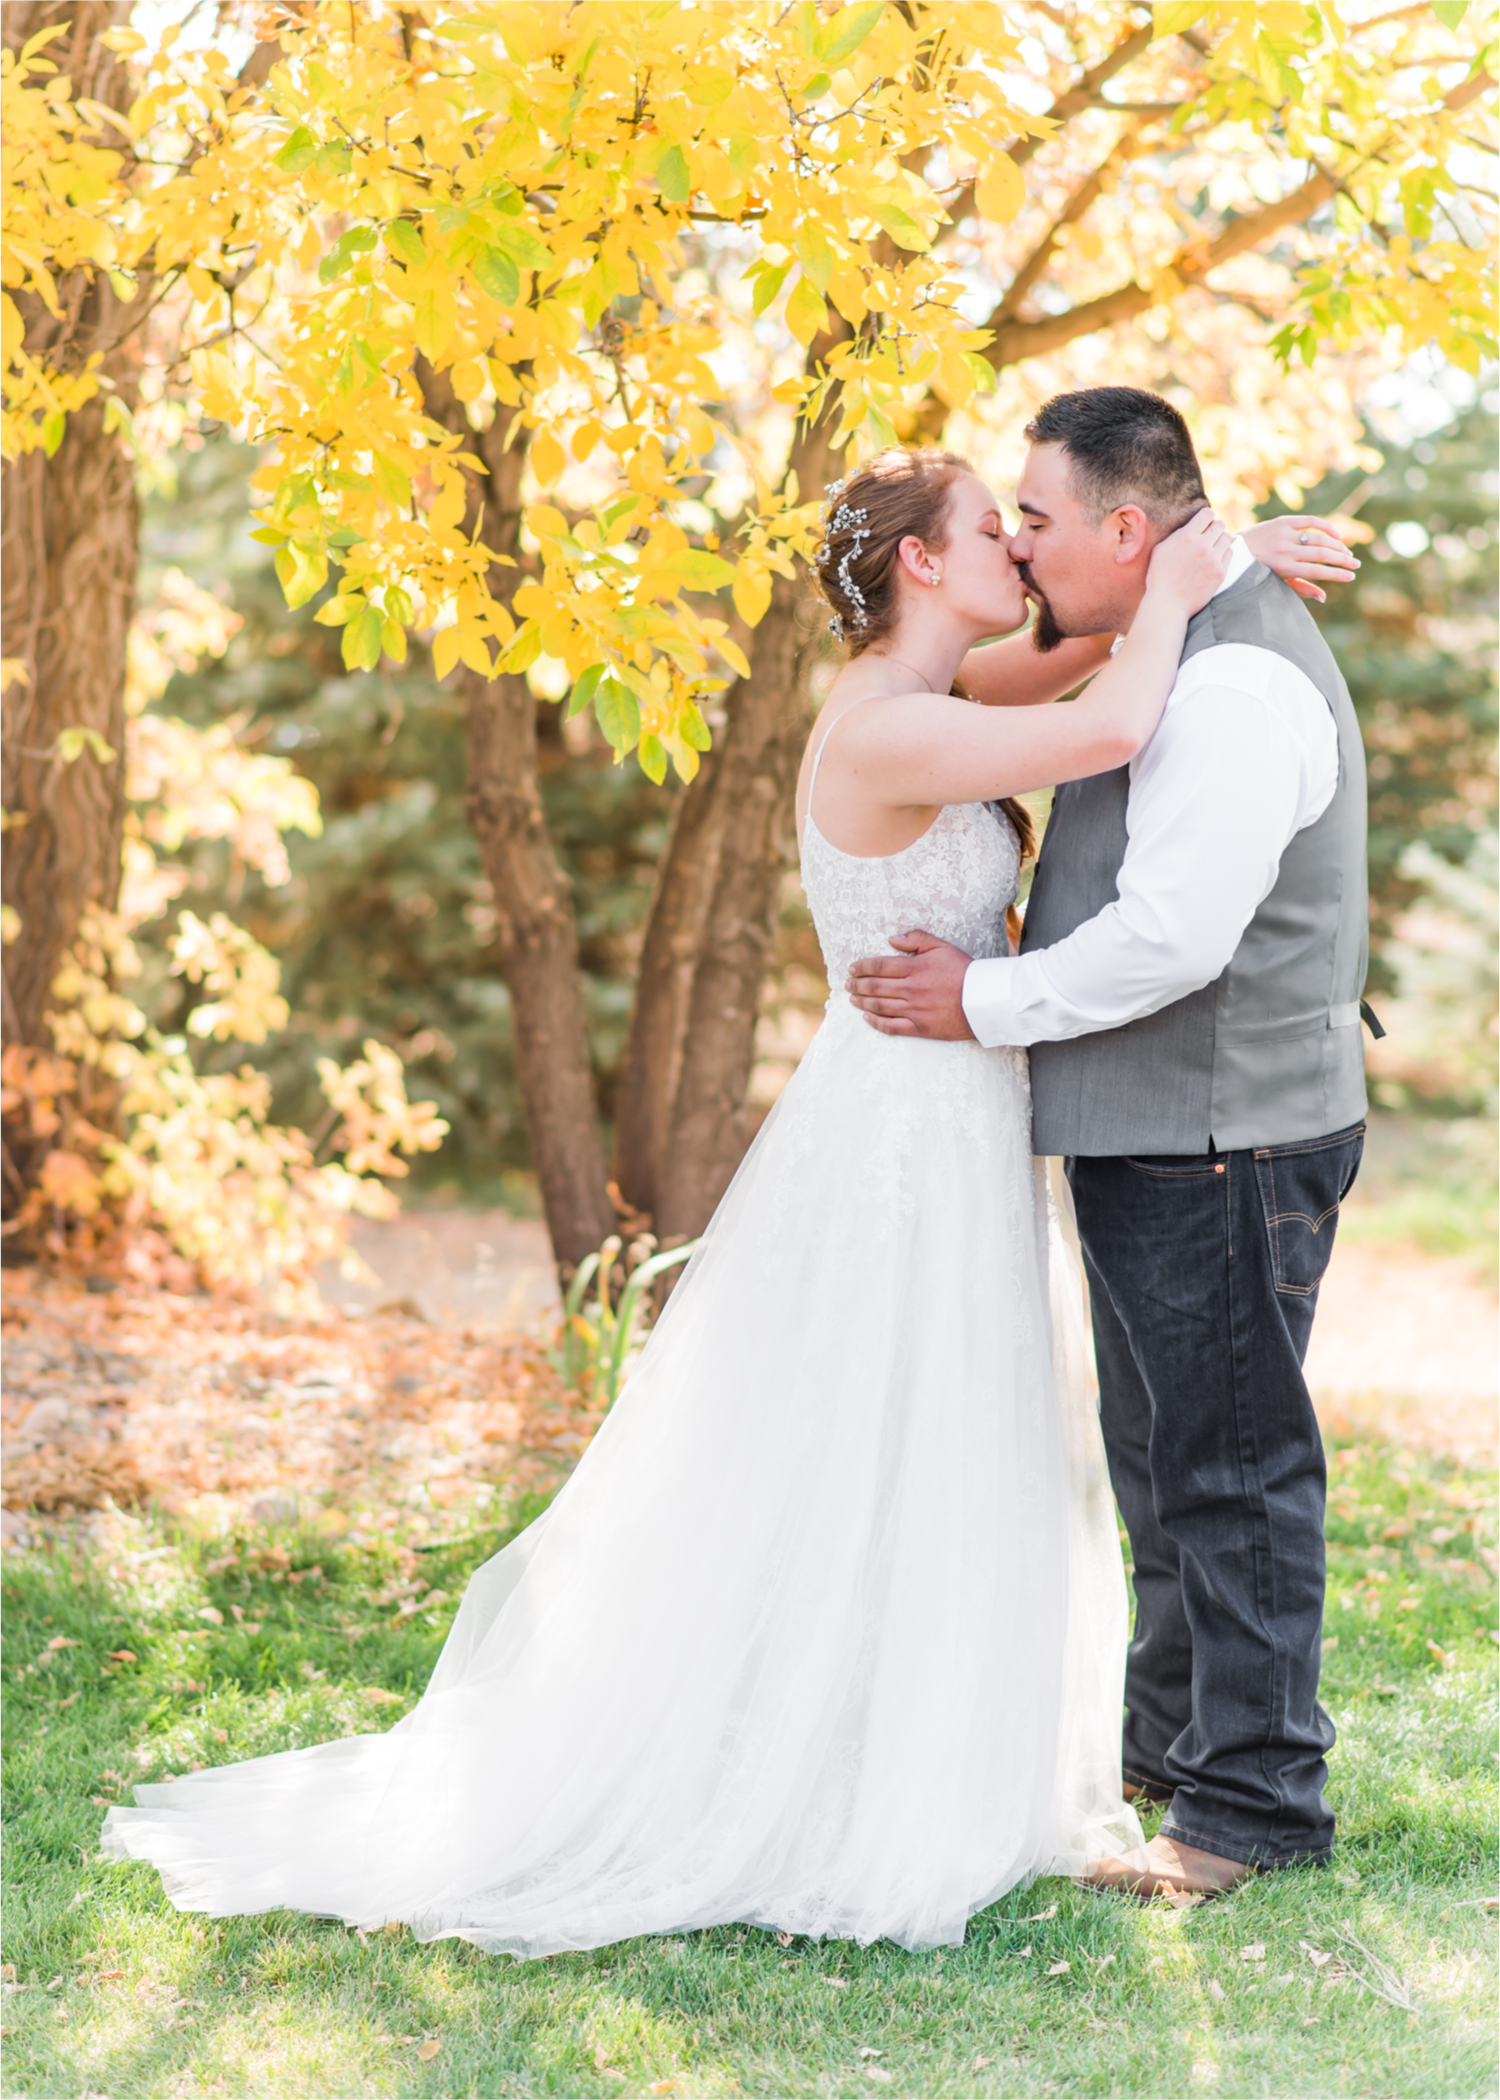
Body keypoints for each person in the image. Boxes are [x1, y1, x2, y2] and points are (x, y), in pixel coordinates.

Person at [103, 447, 1237, 1958]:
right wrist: (1181, 585)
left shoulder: (938, 702)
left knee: (942, 1430)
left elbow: (1072, 654)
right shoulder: (889, 728)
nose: (1019, 554)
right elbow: (1111, 714)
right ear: (917, 563)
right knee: (874, 1431)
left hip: (950, 1116)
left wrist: (1187, 569)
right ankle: (815, 1775)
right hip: (897, 1137)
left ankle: (909, 1742)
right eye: (991, 528)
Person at [845, 388, 1370, 1899]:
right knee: (1165, 1461)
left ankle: (1254, 1811)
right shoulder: (1172, 640)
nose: (1019, 537)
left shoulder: (1226, 688)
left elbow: (1171, 942)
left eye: (1043, 518)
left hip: (1219, 1128)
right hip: (1170, 1128)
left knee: (1231, 1468)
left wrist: (980, 1001)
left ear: (1128, 534)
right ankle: (1173, 1759)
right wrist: (1216, 556)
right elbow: (1083, 673)